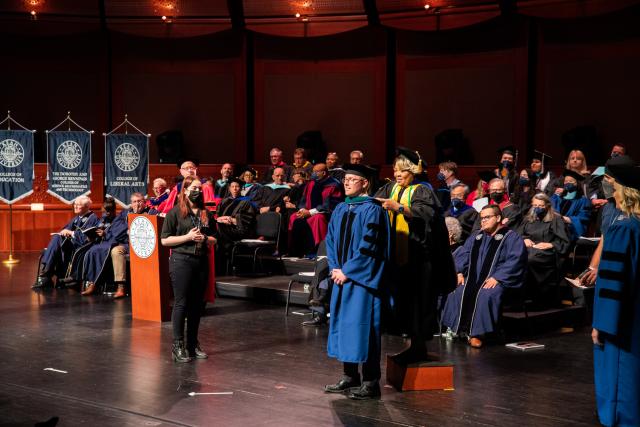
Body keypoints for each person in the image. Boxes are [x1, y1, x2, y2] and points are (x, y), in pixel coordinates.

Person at [375, 148, 456, 361]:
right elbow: (376, 203)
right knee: (402, 303)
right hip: (396, 257)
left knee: (418, 303)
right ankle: (410, 343)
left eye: (402, 171)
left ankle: (418, 346)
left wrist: (399, 208)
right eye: (395, 170)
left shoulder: (422, 190)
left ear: (413, 171)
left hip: (418, 258)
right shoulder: (390, 187)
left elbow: (425, 215)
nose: (397, 174)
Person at [323, 164, 390, 400]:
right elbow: (330, 240)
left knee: (366, 329)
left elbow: (371, 247)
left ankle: (371, 383)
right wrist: (335, 267)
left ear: (365, 183)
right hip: (341, 277)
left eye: (353, 179)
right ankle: (350, 376)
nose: (347, 182)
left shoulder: (373, 210)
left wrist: (348, 271)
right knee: (345, 327)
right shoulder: (341, 208)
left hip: (362, 281)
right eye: (346, 179)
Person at [591, 161, 640, 426]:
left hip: (622, 323)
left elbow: (613, 282)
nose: (606, 184)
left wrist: (602, 324)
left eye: (610, 179)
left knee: (622, 385)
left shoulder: (624, 226)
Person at [441, 205, 527, 348]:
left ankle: (478, 334)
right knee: (457, 290)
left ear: (498, 218)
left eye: (487, 217)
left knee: (486, 294)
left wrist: (498, 277)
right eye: (482, 218)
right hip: (472, 279)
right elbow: (464, 255)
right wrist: (459, 272)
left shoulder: (511, 237)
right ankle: (457, 329)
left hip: (498, 280)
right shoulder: (477, 236)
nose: (483, 221)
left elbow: (516, 260)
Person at [161, 176, 216, 363]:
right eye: (194, 188)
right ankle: (178, 345)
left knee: (196, 305)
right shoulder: (175, 213)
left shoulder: (205, 213)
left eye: (199, 188)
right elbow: (165, 240)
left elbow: (215, 238)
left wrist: (205, 239)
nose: (198, 191)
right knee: (181, 303)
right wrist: (187, 237)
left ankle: (192, 344)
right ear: (184, 190)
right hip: (181, 261)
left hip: (201, 261)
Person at [80, 192, 157, 297]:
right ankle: (92, 283)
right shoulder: (125, 213)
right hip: (124, 242)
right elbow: (116, 229)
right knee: (94, 250)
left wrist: (129, 228)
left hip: (141, 246)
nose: (137, 204)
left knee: (115, 250)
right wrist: (127, 228)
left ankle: (120, 286)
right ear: (131, 203)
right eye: (134, 202)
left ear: (144, 203)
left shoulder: (151, 212)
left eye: (140, 201)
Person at [34, 196, 99, 288]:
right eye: (75, 204)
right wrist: (65, 232)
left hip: (82, 246)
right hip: (71, 243)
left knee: (57, 242)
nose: (75, 207)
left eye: (78, 205)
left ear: (87, 207)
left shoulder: (93, 218)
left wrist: (71, 233)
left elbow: (87, 238)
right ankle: (47, 275)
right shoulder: (77, 218)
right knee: (58, 237)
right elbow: (65, 229)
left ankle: (46, 274)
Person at [518, 193, 570, 307]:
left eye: (540, 206)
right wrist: (524, 239)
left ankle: (536, 293)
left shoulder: (556, 219)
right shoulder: (528, 218)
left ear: (547, 205)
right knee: (518, 258)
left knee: (530, 259)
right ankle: (519, 295)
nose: (537, 208)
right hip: (529, 248)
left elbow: (565, 241)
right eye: (535, 205)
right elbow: (518, 235)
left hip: (548, 252)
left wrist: (551, 245)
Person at [288, 163, 343, 257]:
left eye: (316, 172)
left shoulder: (333, 185)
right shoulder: (311, 183)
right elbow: (304, 199)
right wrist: (302, 209)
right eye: (313, 171)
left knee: (317, 218)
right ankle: (294, 251)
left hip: (326, 214)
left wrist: (310, 212)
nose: (313, 173)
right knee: (293, 216)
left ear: (324, 173)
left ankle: (317, 251)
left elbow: (329, 205)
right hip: (308, 211)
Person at [551, 169, 592, 242]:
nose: (567, 183)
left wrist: (566, 219)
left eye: (571, 181)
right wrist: (556, 195)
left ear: (577, 183)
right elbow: (551, 209)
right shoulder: (558, 197)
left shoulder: (583, 200)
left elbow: (583, 217)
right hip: (555, 225)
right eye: (566, 181)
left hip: (571, 227)